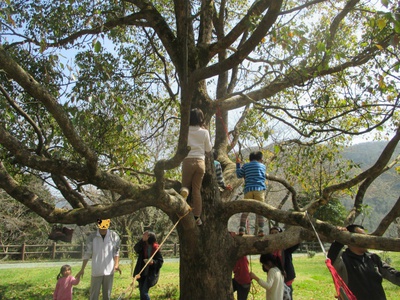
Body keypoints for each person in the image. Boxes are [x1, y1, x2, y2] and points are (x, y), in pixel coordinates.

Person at [328, 224, 400, 300]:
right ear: (350, 239)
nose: (366, 240)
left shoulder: (373, 258)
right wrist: (341, 236)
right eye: (362, 237)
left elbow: (393, 275)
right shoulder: (342, 259)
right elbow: (332, 258)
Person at [180, 108, 213, 226]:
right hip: (200, 162)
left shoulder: (185, 131)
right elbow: (209, 149)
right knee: (196, 190)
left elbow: (180, 146)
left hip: (188, 161)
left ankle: (184, 192)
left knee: (185, 186)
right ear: (201, 118)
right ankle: (197, 217)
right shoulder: (204, 132)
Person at [76, 219, 121, 300]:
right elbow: (87, 254)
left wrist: (116, 264)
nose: (103, 228)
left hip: (109, 271)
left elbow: (116, 252)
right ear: (98, 224)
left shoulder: (113, 235)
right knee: (94, 295)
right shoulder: (92, 237)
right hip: (96, 270)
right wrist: (82, 269)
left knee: (107, 295)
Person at [236, 151, 267, 236]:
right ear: (260, 159)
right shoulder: (263, 166)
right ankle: (261, 230)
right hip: (259, 190)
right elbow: (263, 176)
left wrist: (238, 165)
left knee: (246, 210)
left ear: (250, 158)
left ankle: (242, 229)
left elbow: (239, 175)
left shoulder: (246, 166)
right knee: (260, 211)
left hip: (248, 190)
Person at [269, 226, 299, 299]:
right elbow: (265, 265)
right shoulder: (269, 248)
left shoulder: (286, 246)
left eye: (276, 232)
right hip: (275, 278)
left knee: (288, 296)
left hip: (287, 277)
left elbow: (297, 243)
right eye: (272, 233)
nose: (274, 235)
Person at [133, 231, 164, 300]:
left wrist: (153, 262)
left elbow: (160, 261)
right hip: (142, 272)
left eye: (145, 234)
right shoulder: (143, 246)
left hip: (150, 274)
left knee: (144, 292)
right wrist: (142, 240)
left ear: (149, 237)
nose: (143, 235)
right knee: (141, 292)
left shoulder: (155, 248)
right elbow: (136, 249)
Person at [230, 232, 251, 300]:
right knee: (224, 288)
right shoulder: (231, 253)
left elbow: (242, 243)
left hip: (244, 282)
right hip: (237, 279)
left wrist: (235, 236)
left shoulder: (240, 251)